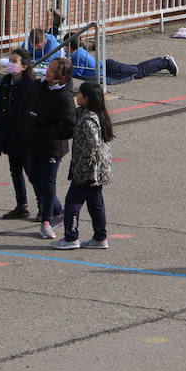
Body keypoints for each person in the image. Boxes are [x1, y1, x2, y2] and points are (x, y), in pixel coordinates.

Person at [53, 81, 115, 250]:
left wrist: (82, 169)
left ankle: (71, 237)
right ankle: (100, 237)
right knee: (95, 203)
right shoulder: (90, 113)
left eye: (79, 93)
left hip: (88, 170)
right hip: (97, 170)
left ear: (86, 98)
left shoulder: (88, 121)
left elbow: (92, 147)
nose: (76, 96)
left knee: (73, 202)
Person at [24, 56, 77, 239]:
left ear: (61, 77)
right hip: (34, 142)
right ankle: (58, 210)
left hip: (52, 146)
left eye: (53, 70)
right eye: (49, 68)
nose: (48, 72)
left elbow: (69, 126)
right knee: (32, 174)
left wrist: (47, 131)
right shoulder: (39, 86)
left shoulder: (65, 97)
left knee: (48, 182)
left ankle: (46, 221)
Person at [0, 48, 39, 220]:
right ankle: (22, 205)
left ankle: (43, 206)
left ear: (24, 66)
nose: (10, 64)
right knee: (15, 171)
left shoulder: (30, 85)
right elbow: (0, 106)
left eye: (14, 61)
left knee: (32, 173)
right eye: (9, 60)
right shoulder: (6, 81)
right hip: (10, 134)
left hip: (25, 136)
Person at [68, 31, 177, 84]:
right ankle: (162, 60)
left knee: (138, 71)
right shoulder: (78, 52)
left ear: (68, 47)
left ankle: (165, 62)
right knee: (137, 68)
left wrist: (64, 71)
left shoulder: (77, 55)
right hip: (107, 67)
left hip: (109, 68)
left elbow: (77, 73)